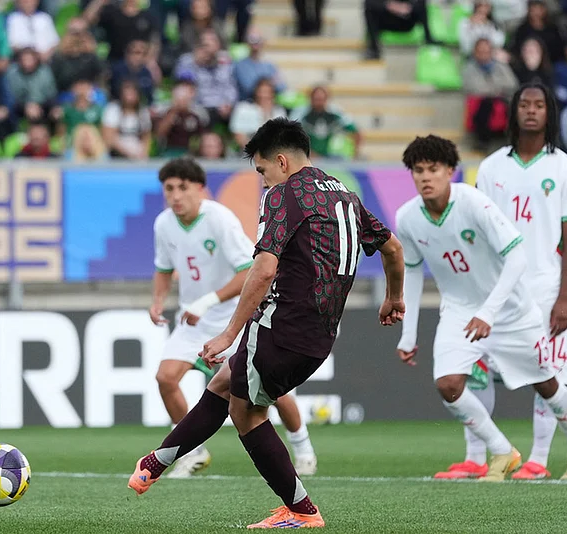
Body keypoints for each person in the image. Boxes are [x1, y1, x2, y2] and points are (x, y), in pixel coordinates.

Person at [128, 118, 406, 528]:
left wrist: (228, 331)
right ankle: (156, 461)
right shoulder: (345, 195)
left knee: (246, 412)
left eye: (261, 171)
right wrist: (393, 297)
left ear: (281, 161)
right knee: (225, 384)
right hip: (320, 333)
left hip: (282, 323)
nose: (262, 181)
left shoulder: (283, 195)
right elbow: (393, 248)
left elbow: (261, 270)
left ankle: (301, 510)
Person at [395, 134, 567, 483]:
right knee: (448, 384)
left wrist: (489, 312)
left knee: (546, 384)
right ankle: (502, 450)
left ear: (451, 171)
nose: (425, 177)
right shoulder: (407, 218)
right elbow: (412, 272)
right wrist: (408, 334)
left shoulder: (474, 203)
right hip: (460, 311)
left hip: (511, 310)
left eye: (434, 169)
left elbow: (516, 258)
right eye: (418, 170)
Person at [442, 83, 567, 480]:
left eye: (539, 104)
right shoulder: (492, 167)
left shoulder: (565, 169)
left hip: (543, 288)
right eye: (524, 104)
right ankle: (477, 457)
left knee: (545, 374)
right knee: (472, 366)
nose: (531, 111)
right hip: (493, 290)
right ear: (513, 113)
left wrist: (565, 298)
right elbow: (475, 230)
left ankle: (540, 460)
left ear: (549, 113)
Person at [149, 156, 319, 478]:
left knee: (274, 390)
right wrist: (157, 301)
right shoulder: (163, 223)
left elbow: (249, 272)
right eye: (169, 189)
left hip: (233, 319)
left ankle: (304, 448)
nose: (175, 196)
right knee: (166, 378)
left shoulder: (220, 219)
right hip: (193, 322)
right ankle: (194, 452)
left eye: (183, 188)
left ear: (201, 189)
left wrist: (208, 301)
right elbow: (163, 268)